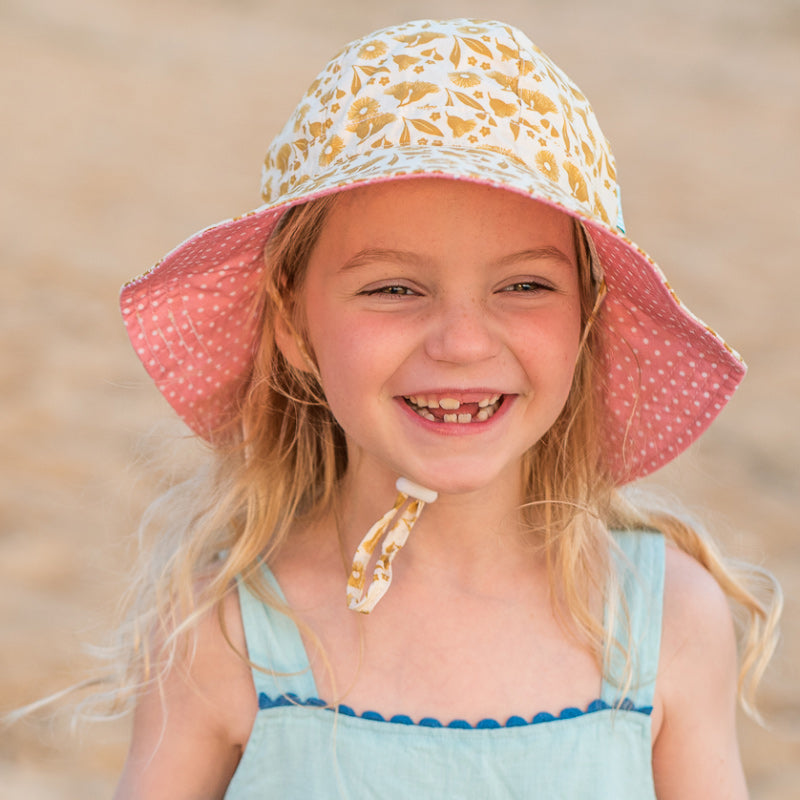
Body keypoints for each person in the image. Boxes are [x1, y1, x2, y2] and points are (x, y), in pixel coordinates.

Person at [111, 18, 780, 799]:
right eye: (393, 288)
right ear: (293, 322)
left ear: (587, 318)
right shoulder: (225, 630)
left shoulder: (666, 621)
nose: (462, 343)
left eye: (524, 285)